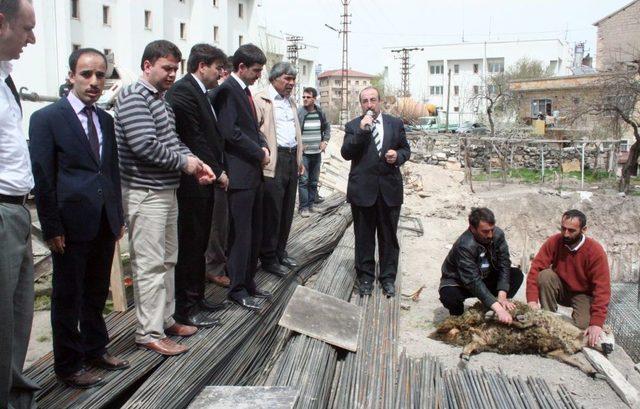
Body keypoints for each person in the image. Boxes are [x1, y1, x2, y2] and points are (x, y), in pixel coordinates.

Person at [30, 48, 129, 388]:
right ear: (71, 75)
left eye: (100, 75)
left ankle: (95, 349)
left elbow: (110, 173)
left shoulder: (105, 121)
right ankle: (68, 365)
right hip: (69, 227)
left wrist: (116, 217)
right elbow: (43, 178)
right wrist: (52, 226)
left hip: (102, 221)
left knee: (96, 290)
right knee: (67, 295)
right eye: (86, 74)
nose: (94, 82)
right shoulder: (47, 119)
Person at [115, 40, 215, 355]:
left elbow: (173, 141)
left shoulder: (160, 101)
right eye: (166, 68)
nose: (172, 74)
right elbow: (145, 145)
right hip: (145, 193)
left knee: (168, 260)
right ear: (147, 65)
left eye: (175, 68)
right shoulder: (134, 97)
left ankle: (166, 319)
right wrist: (185, 163)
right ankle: (148, 331)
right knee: (149, 265)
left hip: (165, 190)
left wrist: (196, 163)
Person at [166, 44, 228, 328]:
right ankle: (186, 307)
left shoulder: (201, 93)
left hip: (204, 180)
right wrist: (216, 170)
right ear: (202, 66)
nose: (220, 74)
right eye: (217, 68)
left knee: (200, 242)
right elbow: (194, 139)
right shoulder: (183, 93)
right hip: (191, 182)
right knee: (190, 245)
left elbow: (211, 137)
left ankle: (198, 298)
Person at [210, 44, 271, 311]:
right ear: (242, 67)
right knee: (241, 234)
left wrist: (262, 144)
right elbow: (229, 132)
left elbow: (250, 127)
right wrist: (258, 151)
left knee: (254, 232)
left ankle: (249, 282)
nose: (259, 75)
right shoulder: (227, 91)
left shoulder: (244, 92)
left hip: (252, 173)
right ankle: (237, 288)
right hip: (239, 174)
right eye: (256, 70)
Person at [0, 0, 39, 406]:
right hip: (1, 210)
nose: (33, 38)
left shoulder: (6, 79)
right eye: (26, 28)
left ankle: (12, 389)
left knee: (17, 314)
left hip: (16, 209)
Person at [340, 86, 411, 297]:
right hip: (363, 191)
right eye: (365, 101)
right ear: (361, 104)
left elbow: (406, 149)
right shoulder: (353, 125)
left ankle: (388, 278)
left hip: (389, 190)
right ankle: (365, 278)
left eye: (373, 100)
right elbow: (346, 153)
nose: (369, 105)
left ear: (380, 101)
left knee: (389, 237)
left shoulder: (395, 123)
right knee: (364, 237)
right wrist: (362, 130)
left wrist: (397, 156)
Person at [526, 209, 610, 347]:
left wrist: (596, 323)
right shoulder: (555, 241)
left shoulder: (595, 251)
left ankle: (577, 322)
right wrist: (532, 301)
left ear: (584, 229)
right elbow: (536, 268)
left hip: (583, 294)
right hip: (561, 288)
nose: (566, 233)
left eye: (571, 230)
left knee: (582, 327)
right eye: (563, 228)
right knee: (545, 275)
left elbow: (602, 289)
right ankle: (547, 318)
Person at [255, 62, 304, 277]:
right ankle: (268, 258)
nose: (291, 83)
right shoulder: (261, 100)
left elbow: (295, 132)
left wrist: (299, 159)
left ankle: (280, 252)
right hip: (273, 161)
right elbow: (253, 131)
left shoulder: (291, 102)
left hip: (291, 159)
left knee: (286, 210)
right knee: (272, 212)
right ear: (274, 78)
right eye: (287, 79)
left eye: (293, 79)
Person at [439, 208, 523, 324]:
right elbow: (472, 281)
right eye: (485, 231)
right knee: (450, 296)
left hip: (485, 276)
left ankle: (492, 305)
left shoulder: (497, 235)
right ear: (472, 228)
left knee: (516, 275)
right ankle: (458, 318)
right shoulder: (464, 245)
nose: (490, 235)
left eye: (492, 230)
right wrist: (499, 309)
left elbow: (504, 263)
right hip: (460, 282)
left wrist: (502, 295)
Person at [203, 58, 234, 289]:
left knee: (223, 223)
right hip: (211, 171)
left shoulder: (220, 95)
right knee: (216, 224)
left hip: (223, 167)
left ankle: (218, 264)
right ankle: (213, 268)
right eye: (220, 72)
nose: (221, 77)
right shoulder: (211, 95)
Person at [297, 86, 330, 217]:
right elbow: (294, 130)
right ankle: (303, 207)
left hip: (316, 153)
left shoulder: (320, 112)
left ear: (314, 99)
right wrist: (299, 145)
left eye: (308, 97)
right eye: (303, 97)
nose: (305, 99)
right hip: (304, 154)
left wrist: (325, 141)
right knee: (303, 180)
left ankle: (311, 205)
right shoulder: (299, 112)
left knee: (314, 181)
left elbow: (327, 127)